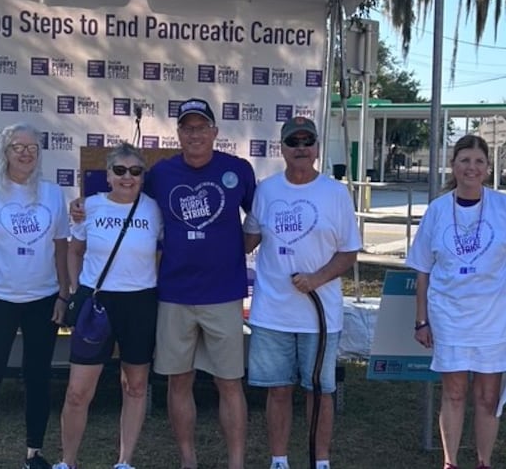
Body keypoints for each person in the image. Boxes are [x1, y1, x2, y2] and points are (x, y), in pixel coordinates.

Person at [70, 97, 256, 469]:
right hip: (173, 294)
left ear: (215, 132)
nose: (195, 134)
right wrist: (83, 206)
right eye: (187, 128)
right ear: (179, 134)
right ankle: (188, 461)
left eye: (202, 127)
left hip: (223, 294)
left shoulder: (239, 170)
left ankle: (237, 464)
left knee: (229, 382)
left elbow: (256, 219)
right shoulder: (162, 174)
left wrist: (232, 252)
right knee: (178, 380)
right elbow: (125, 200)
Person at [405, 134, 506, 469]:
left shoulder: (505, 207)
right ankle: (450, 462)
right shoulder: (437, 210)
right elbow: (422, 269)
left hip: (495, 319)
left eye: (479, 162)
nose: (471, 168)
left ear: (488, 169)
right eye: (464, 160)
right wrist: (422, 320)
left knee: (487, 397)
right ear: (453, 165)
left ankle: (483, 461)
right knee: (455, 393)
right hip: (449, 317)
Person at [242, 116, 360, 469]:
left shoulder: (336, 194)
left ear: (317, 148)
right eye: (293, 142)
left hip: (320, 313)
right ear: (282, 149)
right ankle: (279, 459)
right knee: (278, 389)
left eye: (308, 142)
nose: (301, 148)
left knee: (320, 391)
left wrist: (317, 278)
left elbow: (349, 251)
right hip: (272, 312)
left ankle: (320, 461)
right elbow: (249, 240)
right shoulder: (267, 190)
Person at [0, 123, 70, 469]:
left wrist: (63, 296)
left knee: (38, 377)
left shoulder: (52, 194)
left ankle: (34, 453)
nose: (25, 153)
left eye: (32, 148)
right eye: (18, 147)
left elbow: (61, 250)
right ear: (4, 152)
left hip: (43, 300)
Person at [53, 143, 163, 469]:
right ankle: (67, 461)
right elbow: (75, 250)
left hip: (140, 302)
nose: (127, 177)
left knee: (136, 385)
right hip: (97, 300)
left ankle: (125, 461)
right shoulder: (89, 207)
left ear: (143, 177)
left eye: (135, 171)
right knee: (77, 391)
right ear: (108, 175)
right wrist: (77, 289)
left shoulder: (154, 209)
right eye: (120, 170)